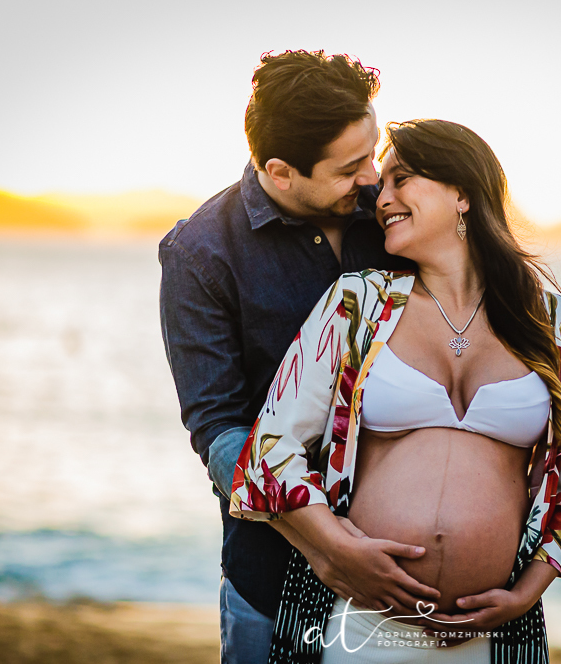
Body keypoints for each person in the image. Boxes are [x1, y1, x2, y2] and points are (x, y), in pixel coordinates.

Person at [229, 119, 561, 663]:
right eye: (381, 185)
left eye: (400, 179)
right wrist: (337, 551)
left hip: (491, 634)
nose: (381, 198)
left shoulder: (558, 326)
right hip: (356, 623)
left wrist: (527, 593)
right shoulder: (356, 305)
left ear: (463, 195)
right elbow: (272, 448)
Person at [159, 50, 425, 664]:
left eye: (374, 152)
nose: (372, 179)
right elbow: (219, 430)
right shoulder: (201, 254)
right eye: (351, 166)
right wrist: (328, 543)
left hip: (414, 582)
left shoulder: (395, 218)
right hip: (273, 575)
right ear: (280, 171)